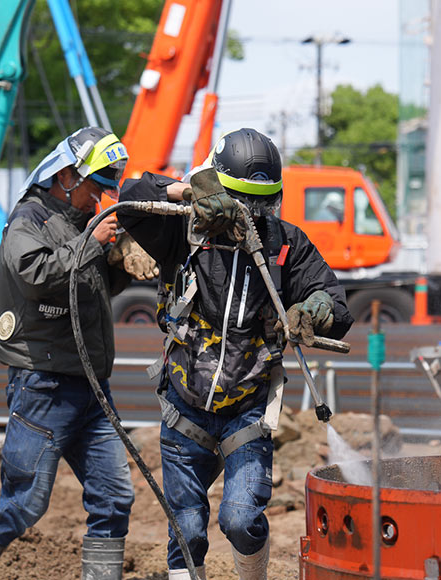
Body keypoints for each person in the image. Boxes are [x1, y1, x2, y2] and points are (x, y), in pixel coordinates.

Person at [117, 128, 354, 580]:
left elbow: (336, 304)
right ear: (220, 188)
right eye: (245, 201)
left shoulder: (285, 245)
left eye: (266, 202)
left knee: (241, 521)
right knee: (187, 530)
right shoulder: (180, 230)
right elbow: (130, 194)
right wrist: (190, 190)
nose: (255, 213)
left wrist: (317, 309)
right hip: (185, 409)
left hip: (247, 411)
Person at [0, 127, 136, 580]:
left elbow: (88, 292)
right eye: (97, 186)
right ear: (67, 175)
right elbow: (36, 274)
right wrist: (93, 243)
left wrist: (119, 264)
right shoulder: (29, 219)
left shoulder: (77, 224)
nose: (101, 198)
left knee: (113, 497)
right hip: (43, 387)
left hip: (90, 387)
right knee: (24, 503)